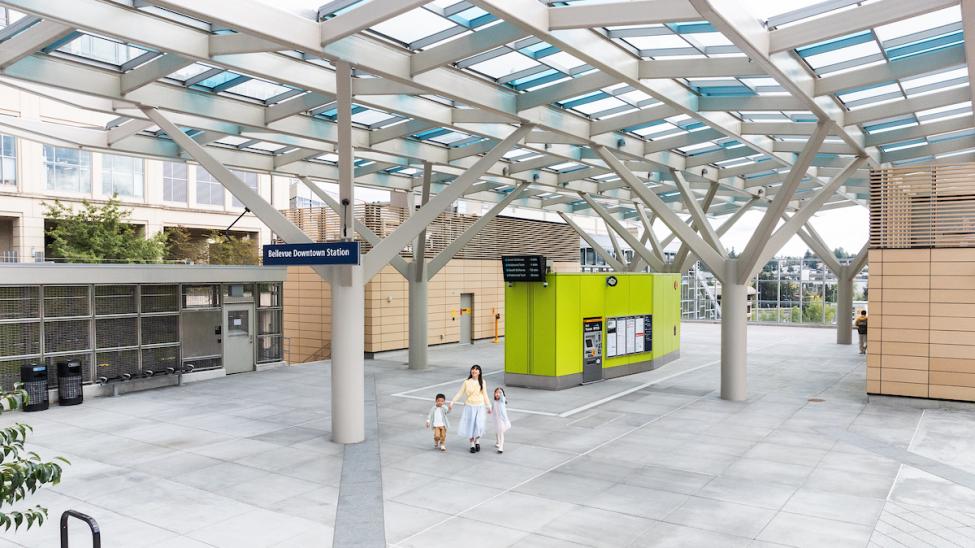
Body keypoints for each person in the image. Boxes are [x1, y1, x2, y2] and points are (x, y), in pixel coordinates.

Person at [449, 364, 490, 453]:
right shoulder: (466, 382)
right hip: (470, 407)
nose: (474, 371)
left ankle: (477, 440)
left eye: (476, 369)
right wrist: (452, 402)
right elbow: (460, 393)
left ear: (479, 372)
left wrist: (489, 406)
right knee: (470, 425)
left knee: (479, 425)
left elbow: (485, 394)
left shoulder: (482, 382)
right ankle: (472, 443)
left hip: (480, 406)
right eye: (473, 369)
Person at [492, 387, 511, 454]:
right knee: (497, 431)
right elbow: (492, 408)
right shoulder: (494, 401)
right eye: (496, 393)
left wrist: (500, 391)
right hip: (496, 419)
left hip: (502, 420)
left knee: (500, 433)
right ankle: (497, 442)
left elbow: (502, 396)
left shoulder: (502, 401)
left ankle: (501, 447)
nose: (497, 394)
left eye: (499, 393)